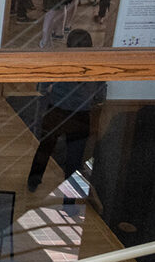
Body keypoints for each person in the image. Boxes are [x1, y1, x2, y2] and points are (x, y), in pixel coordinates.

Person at [28, 29, 105, 192]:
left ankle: (33, 181)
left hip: (57, 110)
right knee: (74, 160)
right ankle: (69, 203)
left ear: (68, 45)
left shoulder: (59, 60)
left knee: (45, 147)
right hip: (81, 115)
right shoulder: (97, 62)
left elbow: (41, 87)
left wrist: (48, 91)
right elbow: (100, 92)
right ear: (90, 46)